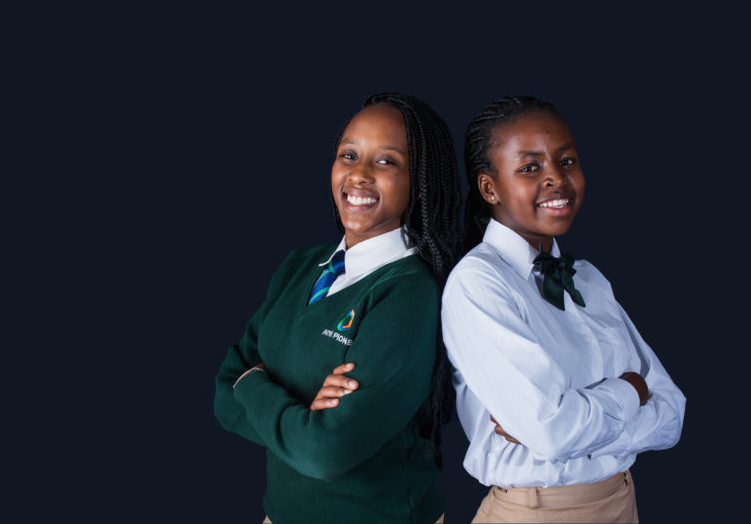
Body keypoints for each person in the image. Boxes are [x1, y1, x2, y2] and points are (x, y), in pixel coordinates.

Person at [213, 92, 462, 524]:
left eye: (386, 161)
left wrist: (253, 383)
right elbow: (223, 398)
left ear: (419, 182)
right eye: (349, 155)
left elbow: (325, 452)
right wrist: (302, 415)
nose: (359, 174)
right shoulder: (298, 267)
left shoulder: (408, 295)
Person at [441, 95, 686, 523]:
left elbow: (672, 415)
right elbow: (553, 431)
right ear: (489, 188)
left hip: (621, 501)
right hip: (538, 511)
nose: (557, 177)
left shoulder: (588, 278)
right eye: (530, 167)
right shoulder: (478, 283)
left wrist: (574, 426)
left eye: (567, 161)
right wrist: (632, 389)